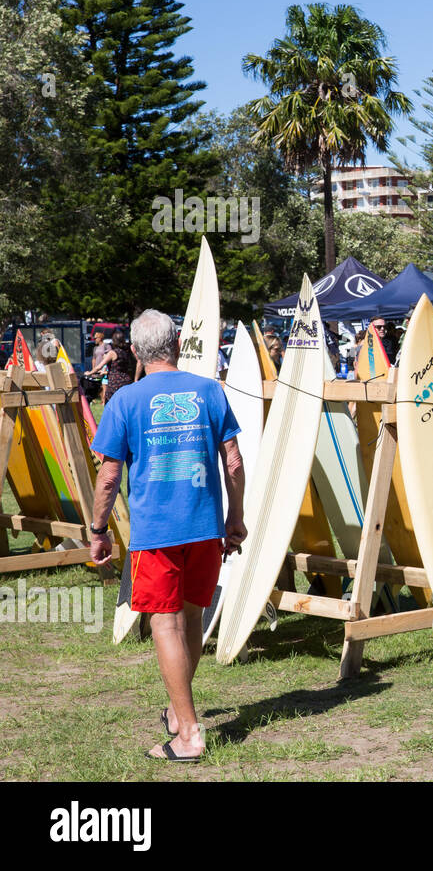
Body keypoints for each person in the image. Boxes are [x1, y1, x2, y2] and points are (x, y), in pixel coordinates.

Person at [88, 310, 246, 763]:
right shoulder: (209, 390)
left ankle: (190, 735)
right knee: (191, 619)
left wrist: (99, 530)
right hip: (204, 526)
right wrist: (235, 517)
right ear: (176, 343)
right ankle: (180, 716)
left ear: (135, 351)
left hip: (156, 532)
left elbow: (108, 476)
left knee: (164, 623)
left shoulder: (125, 400)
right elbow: (232, 462)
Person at [99, 329, 136, 404]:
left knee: (111, 404)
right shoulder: (126, 352)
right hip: (126, 380)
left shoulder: (113, 352)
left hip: (114, 382)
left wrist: (90, 372)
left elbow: (99, 366)